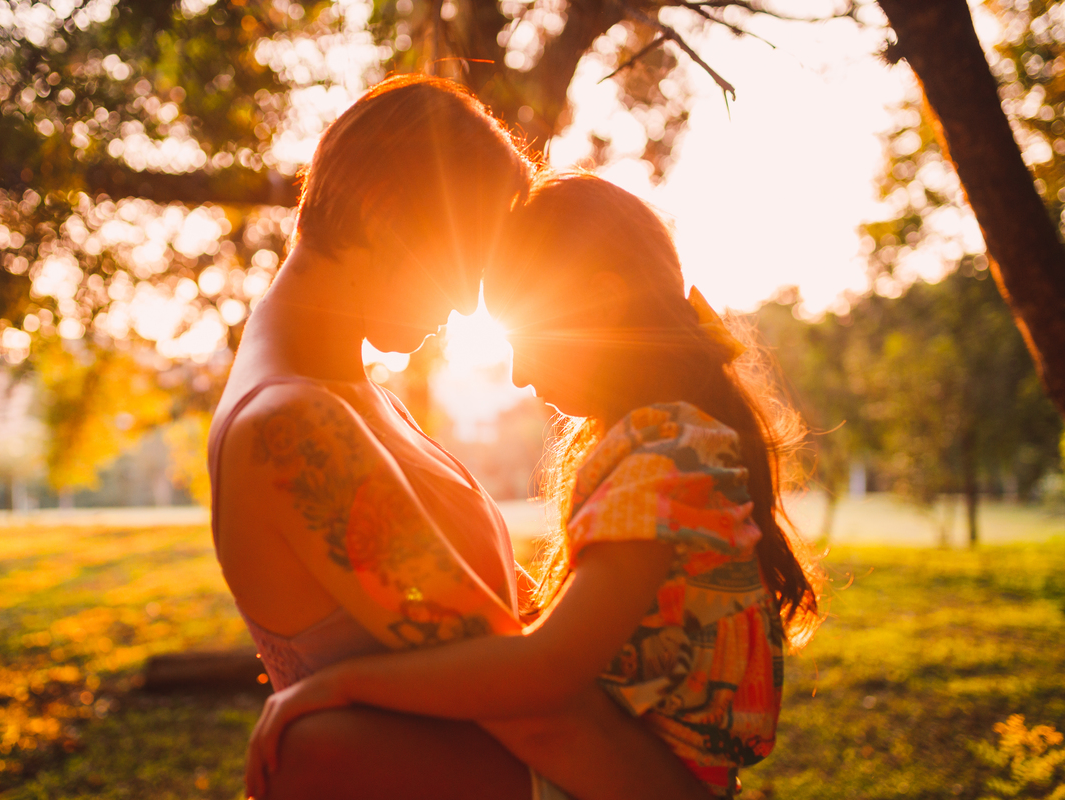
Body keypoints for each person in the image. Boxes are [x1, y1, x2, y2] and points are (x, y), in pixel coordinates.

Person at [210, 79, 714, 800]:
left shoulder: (351, 397)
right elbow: (533, 705)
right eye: (464, 258)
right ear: (386, 214)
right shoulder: (295, 427)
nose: (464, 302)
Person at [248, 173, 825, 799]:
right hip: (614, 761)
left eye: (524, 338)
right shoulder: (670, 441)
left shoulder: (665, 453)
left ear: (602, 304)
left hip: (629, 777)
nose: (519, 374)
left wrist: (342, 683)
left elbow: (549, 669)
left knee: (313, 750)